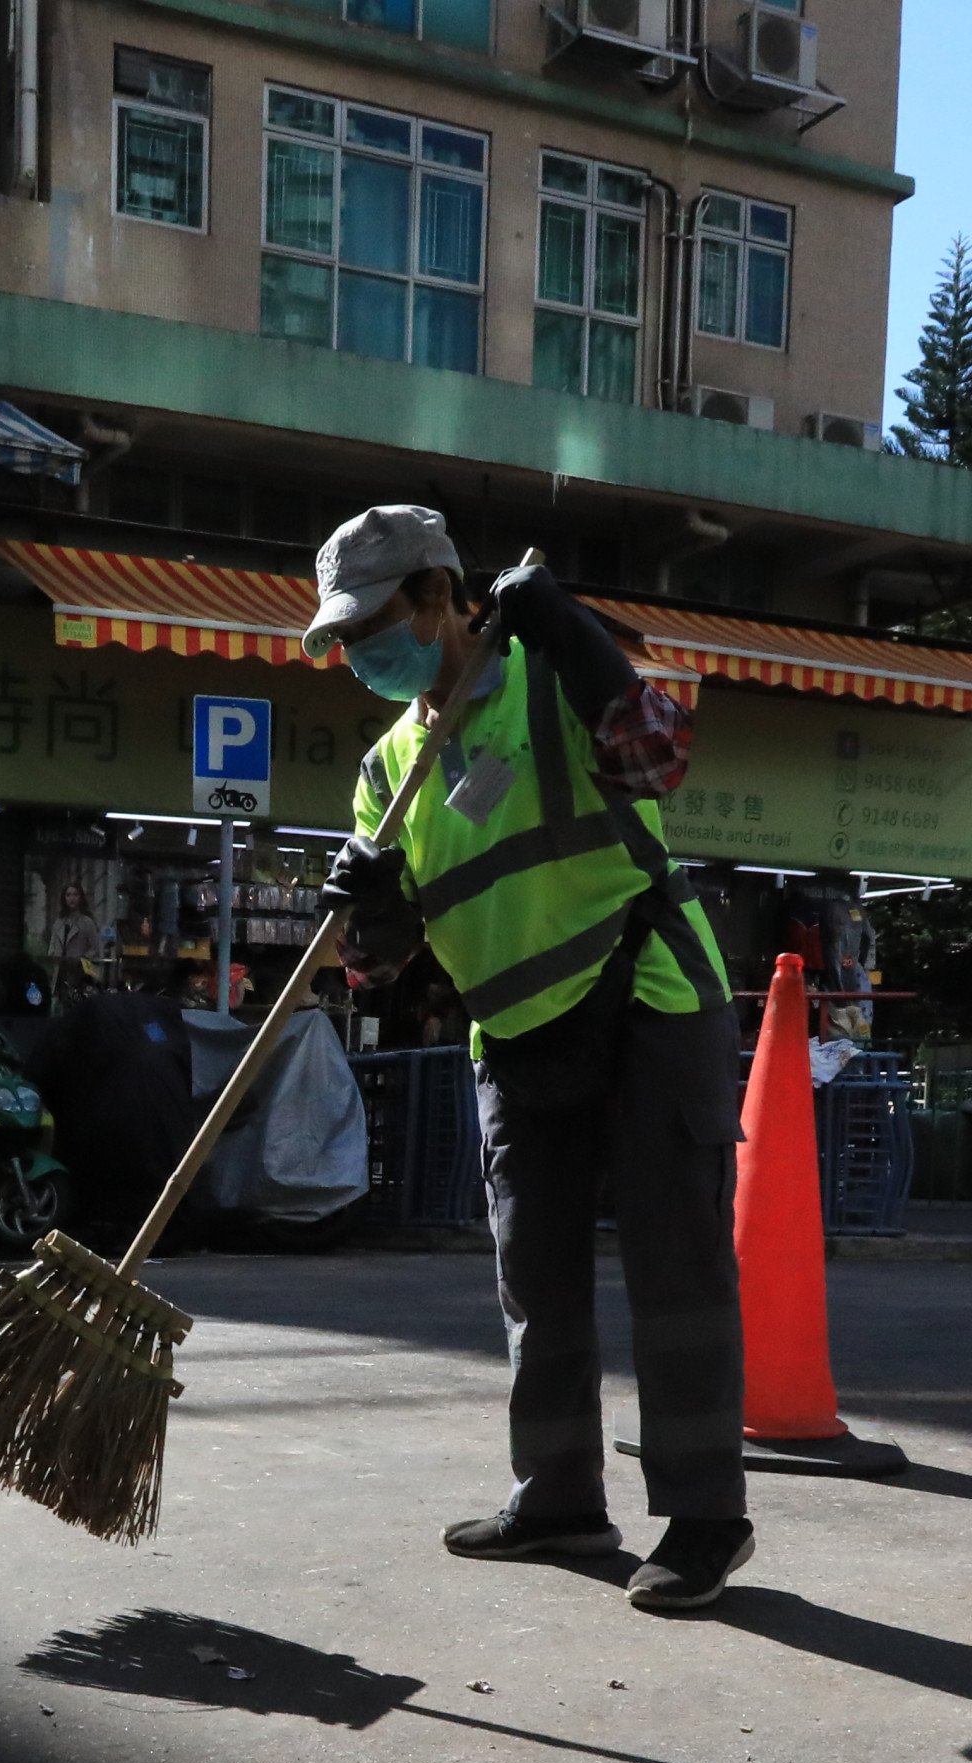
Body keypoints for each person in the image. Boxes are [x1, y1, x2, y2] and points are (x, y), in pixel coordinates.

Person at [309, 505, 751, 1614]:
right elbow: (378, 969)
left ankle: (704, 1520)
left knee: (674, 1272)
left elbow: (660, 760)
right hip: (513, 1032)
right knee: (536, 1286)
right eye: (345, 637)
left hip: (644, 995)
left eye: (374, 623)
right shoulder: (386, 774)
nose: (363, 652)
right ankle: (559, 1500)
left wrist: (577, 636)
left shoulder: (547, 679)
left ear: (439, 596)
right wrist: (365, 912)